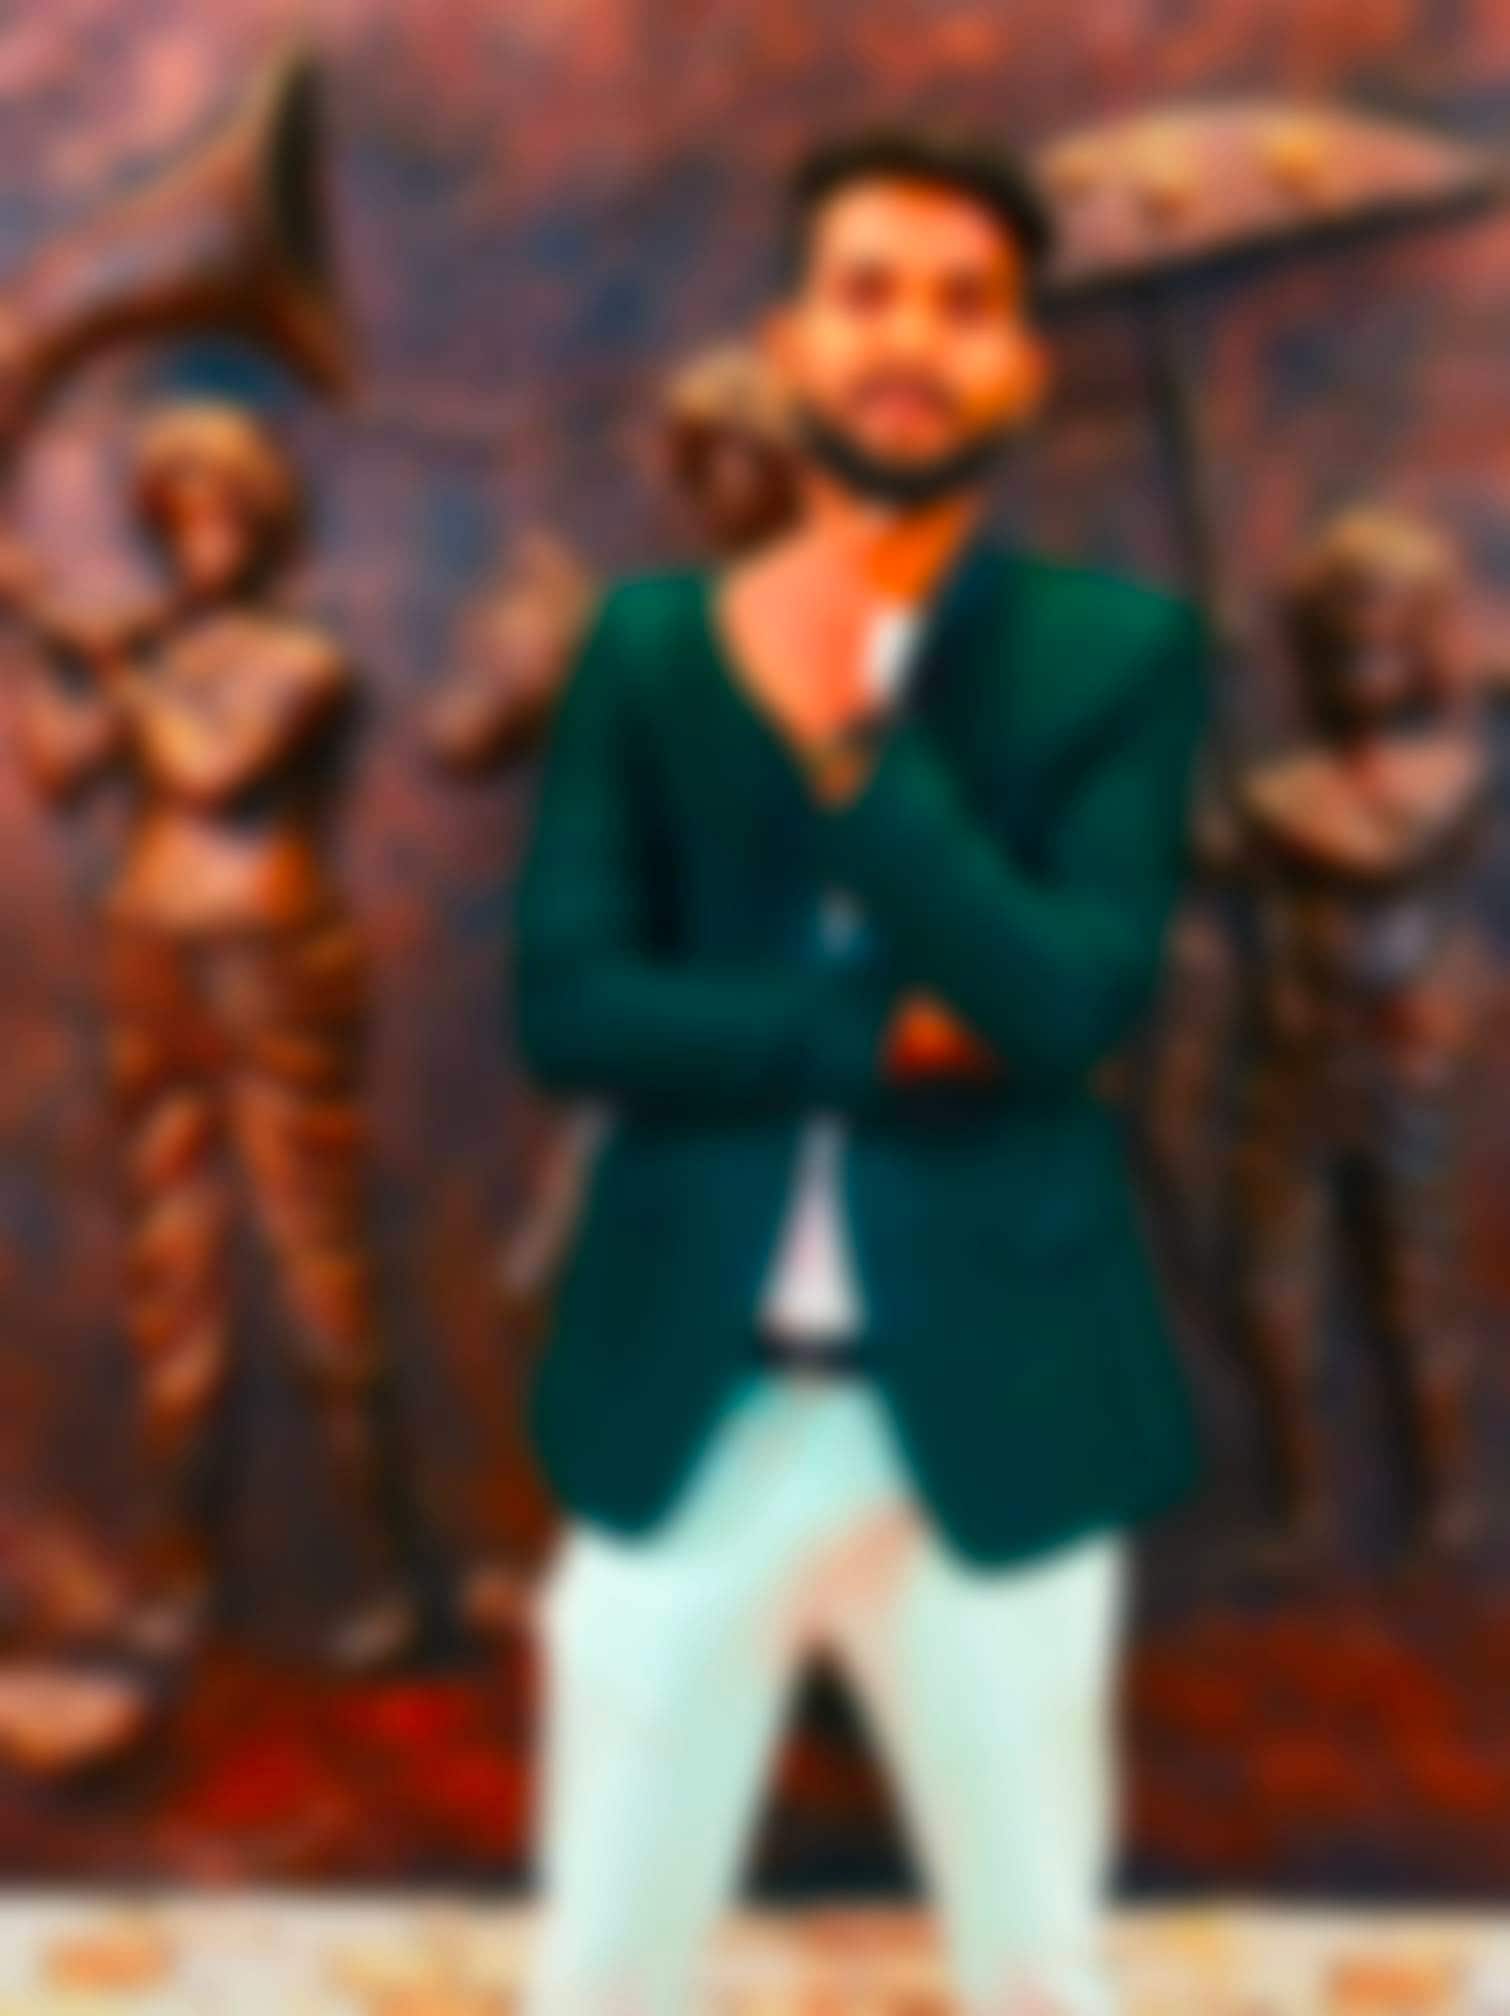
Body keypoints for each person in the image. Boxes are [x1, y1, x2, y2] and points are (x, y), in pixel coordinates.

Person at [512, 126, 1213, 2016]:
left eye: (963, 303)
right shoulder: (649, 649)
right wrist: (877, 1036)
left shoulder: (1119, 656)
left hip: (1002, 1394)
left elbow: (1065, 1006)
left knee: (1035, 1968)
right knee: (602, 1971)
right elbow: (569, 1007)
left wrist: (848, 747)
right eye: (866, 291)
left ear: (1021, 364)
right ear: (791, 341)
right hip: (693, 1399)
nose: (909, 338)